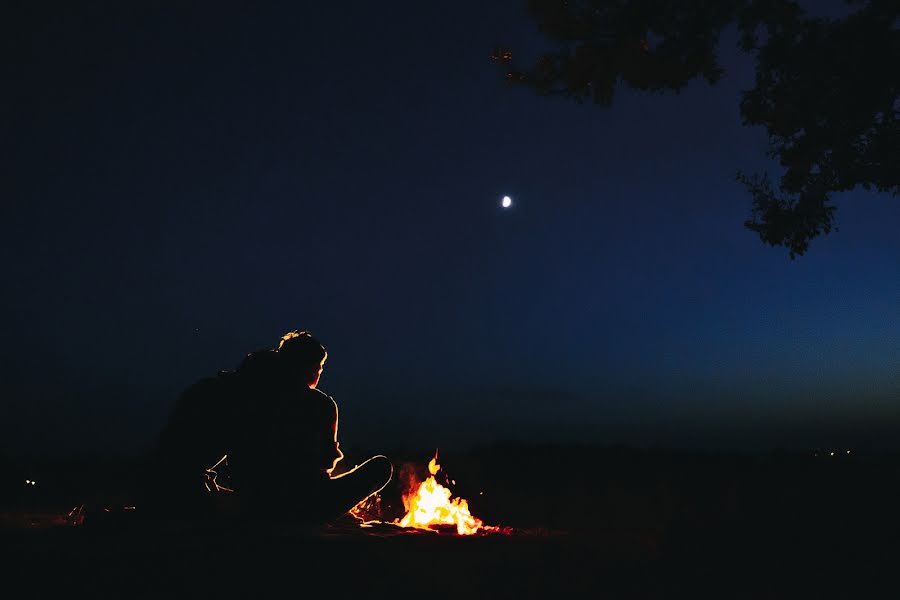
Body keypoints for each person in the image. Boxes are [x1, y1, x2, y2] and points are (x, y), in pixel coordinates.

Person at [152, 330, 393, 527]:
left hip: (252, 503)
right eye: (319, 368)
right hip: (301, 506)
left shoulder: (244, 395)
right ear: (312, 368)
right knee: (380, 467)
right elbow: (325, 463)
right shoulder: (319, 403)